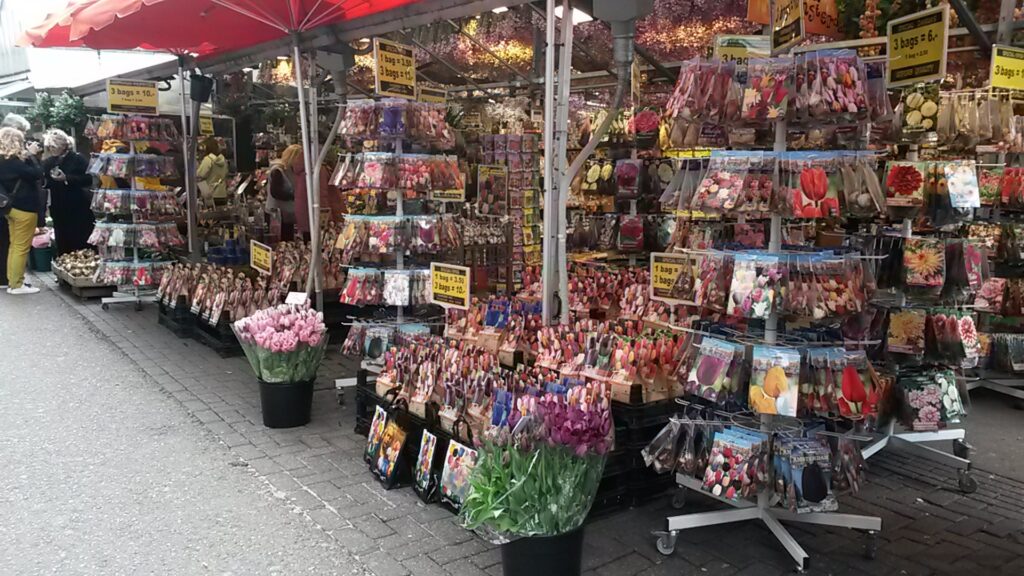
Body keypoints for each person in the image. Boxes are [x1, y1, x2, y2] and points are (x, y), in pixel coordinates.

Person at [0, 127, 44, 295]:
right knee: (21, 247)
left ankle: (12, 281)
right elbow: (38, 174)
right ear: (15, 142)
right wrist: (32, 155)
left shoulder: (3, 161)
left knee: (14, 245)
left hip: (10, 208)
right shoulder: (14, 162)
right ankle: (17, 285)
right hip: (24, 207)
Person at [43, 129, 94, 256]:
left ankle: (84, 262)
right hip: (58, 206)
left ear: (63, 145)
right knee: (62, 238)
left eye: (54, 146)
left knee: (80, 237)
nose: (52, 149)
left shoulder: (78, 159)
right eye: (49, 147)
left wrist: (67, 178)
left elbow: (88, 179)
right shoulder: (48, 162)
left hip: (78, 205)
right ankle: (64, 264)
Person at [267, 144, 299, 240]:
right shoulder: (278, 170)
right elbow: (276, 192)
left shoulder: (289, 170)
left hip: (287, 213)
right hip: (278, 214)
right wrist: (295, 195)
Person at [197, 137, 228, 206]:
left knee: (210, 215)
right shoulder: (224, 160)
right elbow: (226, 173)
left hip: (210, 194)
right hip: (222, 194)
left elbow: (200, 174)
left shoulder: (208, 159)